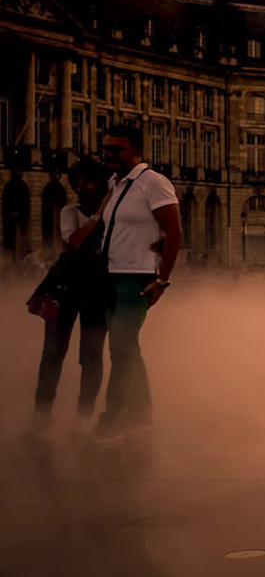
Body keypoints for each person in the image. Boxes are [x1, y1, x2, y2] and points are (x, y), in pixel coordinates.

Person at [86, 123, 181, 437]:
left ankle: (115, 417)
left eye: (117, 149)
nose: (109, 154)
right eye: (106, 148)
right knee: (126, 349)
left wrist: (162, 280)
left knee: (122, 346)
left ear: (137, 150)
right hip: (110, 277)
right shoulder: (116, 184)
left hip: (136, 278)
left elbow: (174, 231)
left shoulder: (153, 182)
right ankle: (141, 414)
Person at [27, 159, 110, 424]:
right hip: (66, 289)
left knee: (92, 356)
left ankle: (83, 417)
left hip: (97, 290)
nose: (82, 187)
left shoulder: (114, 216)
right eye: (77, 182)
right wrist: (99, 215)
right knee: (52, 353)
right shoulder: (69, 211)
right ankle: (42, 416)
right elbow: (73, 243)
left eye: (88, 181)